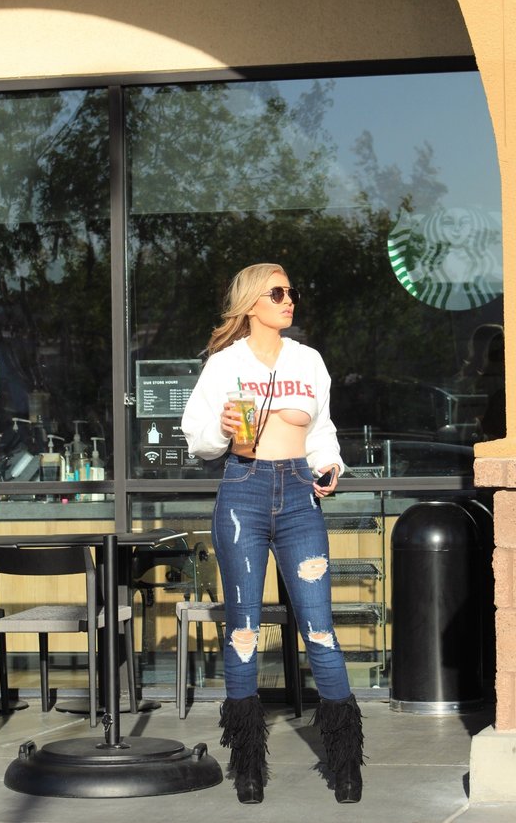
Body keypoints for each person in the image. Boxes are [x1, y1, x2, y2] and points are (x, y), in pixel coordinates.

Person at [181, 263, 363, 805]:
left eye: (292, 291)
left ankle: (345, 761)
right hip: (244, 490)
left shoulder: (308, 360)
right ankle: (248, 766)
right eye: (278, 292)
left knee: (320, 629)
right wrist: (222, 431)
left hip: (300, 495)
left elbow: (322, 430)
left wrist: (330, 465)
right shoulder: (224, 364)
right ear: (251, 303)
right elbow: (198, 438)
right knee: (243, 630)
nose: (289, 300)